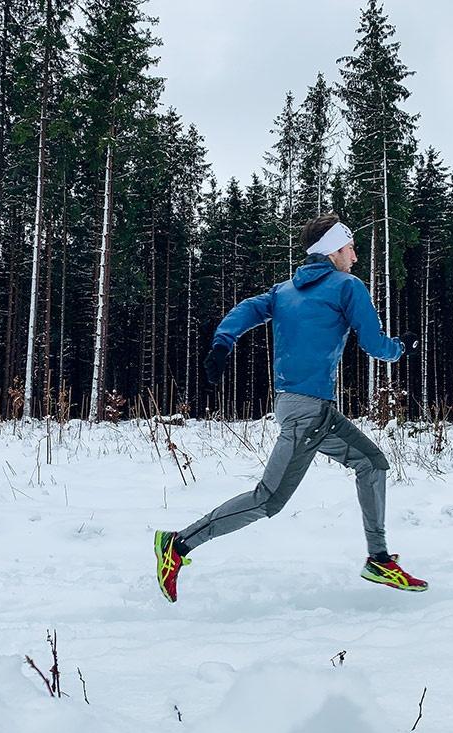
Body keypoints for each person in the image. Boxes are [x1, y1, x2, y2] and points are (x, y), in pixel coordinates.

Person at [154, 213, 427, 602]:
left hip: (300, 407)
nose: (355, 255)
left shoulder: (284, 291)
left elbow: (249, 308)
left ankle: (379, 558)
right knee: (268, 499)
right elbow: (375, 345)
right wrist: (404, 346)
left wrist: (223, 341)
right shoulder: (348, 286)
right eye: (350, 247)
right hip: (308, 414)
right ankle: (178, 545)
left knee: (372, 463)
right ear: (333, 250)